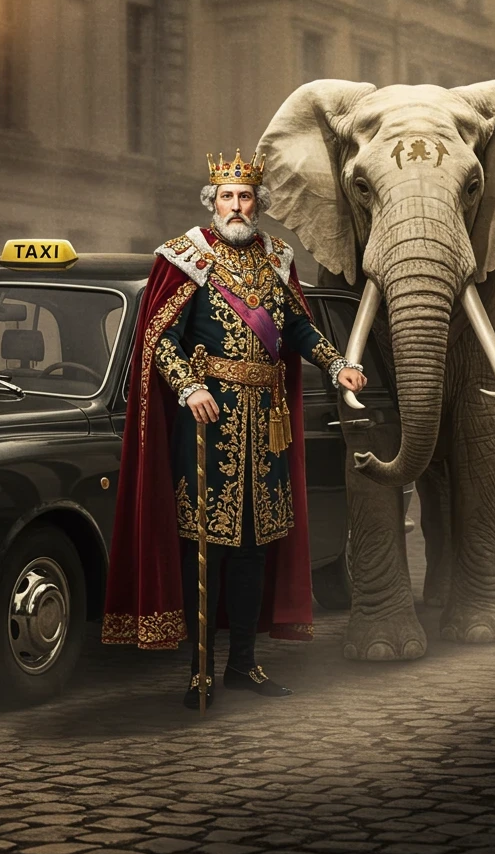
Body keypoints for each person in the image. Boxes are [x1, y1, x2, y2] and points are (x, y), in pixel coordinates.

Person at [102, 150, 367, 707]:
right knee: (206, 547)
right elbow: (158, 339)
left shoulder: (277, 259)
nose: (237, 206)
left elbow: (297, 326)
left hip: (265, 429)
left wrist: (336, 362)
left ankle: (244, 665)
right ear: (212, 201)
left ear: (259, 203)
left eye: (246, 197)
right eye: (227, 197)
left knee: (253, 548)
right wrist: (188, 387)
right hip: (207, 425)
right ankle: (199, 668)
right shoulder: (184, 257)